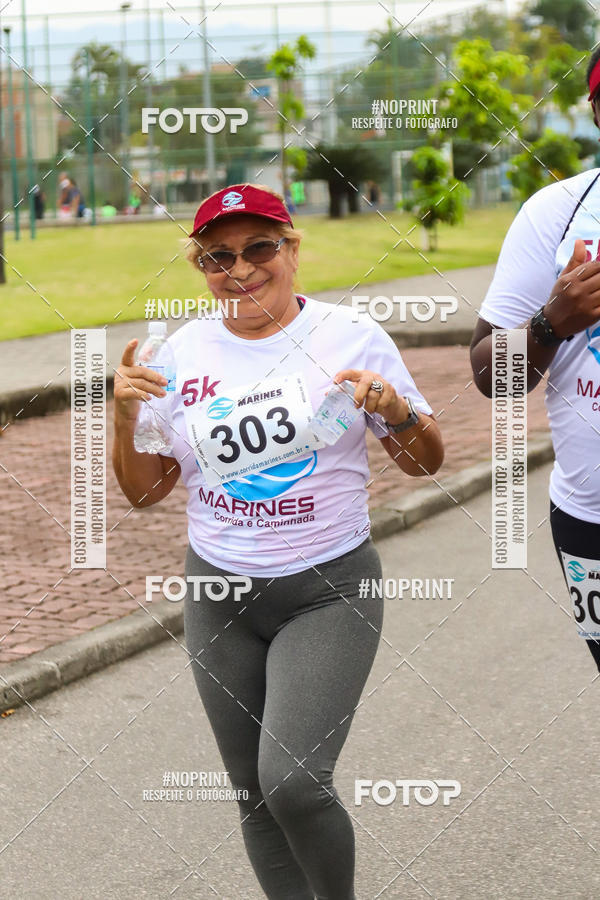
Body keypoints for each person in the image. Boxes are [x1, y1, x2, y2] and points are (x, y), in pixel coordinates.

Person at [113, 183, 443, 898]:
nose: (240, 269)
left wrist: (396, 411)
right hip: (218, 591)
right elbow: (144, 493)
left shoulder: (351, 336)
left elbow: (425, 462)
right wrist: (123, 417)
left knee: (292, 781)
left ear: (292, 250)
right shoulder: (177, 353)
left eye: (259, 247)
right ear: (200, 267)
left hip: (328, 588)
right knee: (254, 795)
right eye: (217, 257)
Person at [470, 50, 600, 673]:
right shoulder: (556, 212)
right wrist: (552, 322)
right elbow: (489, 374)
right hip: (590, 522)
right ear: (597, 110)